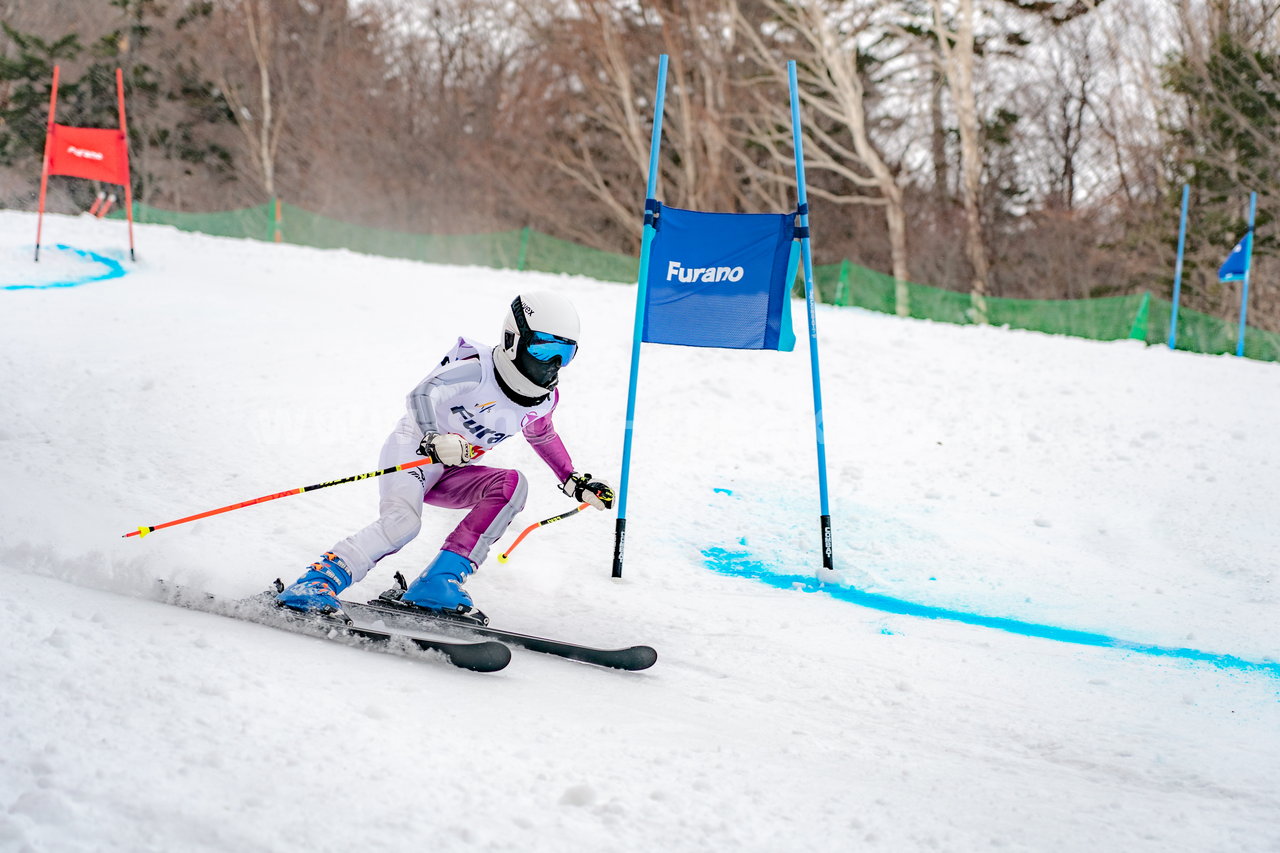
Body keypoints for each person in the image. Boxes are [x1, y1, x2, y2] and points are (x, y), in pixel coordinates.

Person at [275, 291, 614, 620]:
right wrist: (433, 437)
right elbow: (423, 391)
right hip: (414, 454)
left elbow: (540, 432)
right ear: (514, 340)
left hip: (452, 471)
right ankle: (314, 583)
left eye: (566, 353)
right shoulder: (477, 369)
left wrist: (573, 480)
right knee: (403, 523)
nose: (554, 364)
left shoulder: (543, 400)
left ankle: (437, 583)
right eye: (545, 348)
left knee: (513, 485)